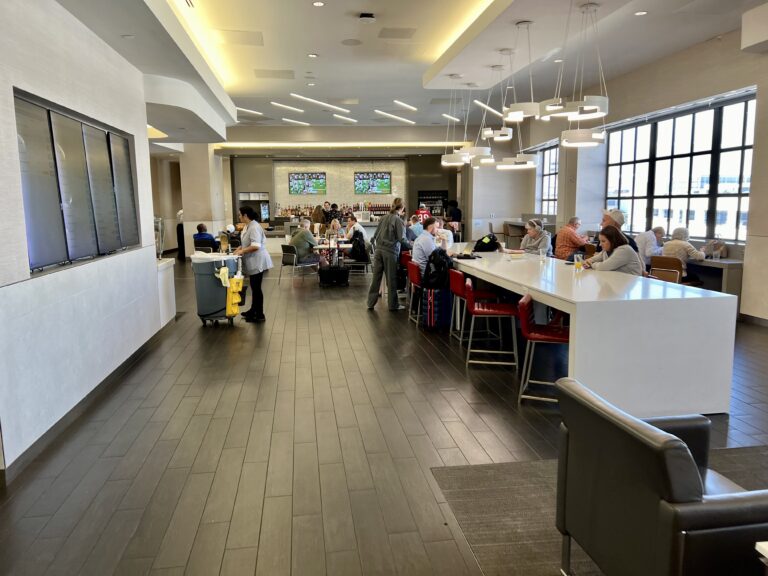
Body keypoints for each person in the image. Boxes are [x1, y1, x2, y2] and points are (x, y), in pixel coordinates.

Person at [367, 198, 410, 311]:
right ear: (402, 208)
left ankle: (370, 303)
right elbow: (402, 239)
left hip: (378, 250)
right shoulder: (398, 220)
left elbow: (375, 234)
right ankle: (393, 305)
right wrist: (414, 246)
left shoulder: (383, 217)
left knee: (376, 277)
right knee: (391, 279)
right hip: (390, 252)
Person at [234, 207, 273, 323]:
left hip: (257, 260)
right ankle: (253, 310)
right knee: (254, 286)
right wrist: (240, 248)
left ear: (246, 215)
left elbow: (256, 246)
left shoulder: (254, 227)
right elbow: (247, 242)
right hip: (253, 260)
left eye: (240, 215)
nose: (239, 217)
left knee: (256, 288)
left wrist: (242, 251)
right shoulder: (247, 226)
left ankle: (260, 314)